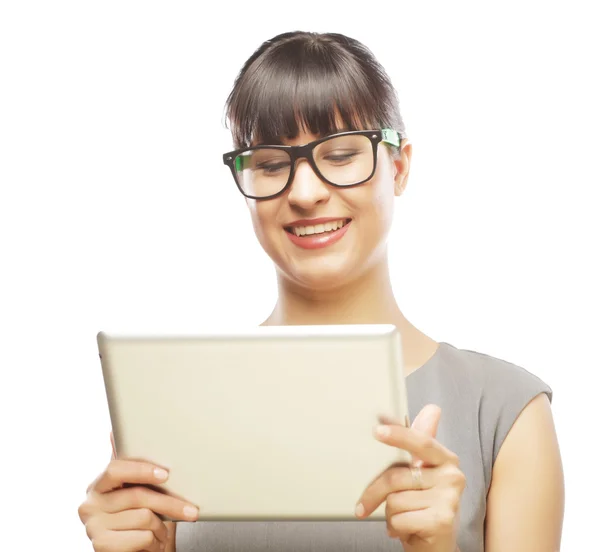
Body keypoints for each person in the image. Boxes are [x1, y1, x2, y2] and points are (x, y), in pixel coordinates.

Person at [78, 31, 565, 552]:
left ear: (397, 167)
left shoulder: (506, 411)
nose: (306, 193)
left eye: (339, 155)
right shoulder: (177, 403)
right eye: (269, 163)